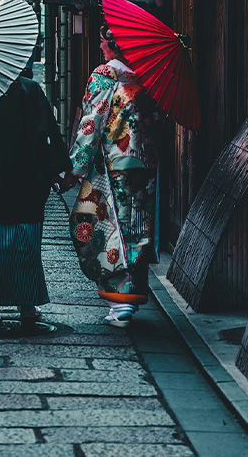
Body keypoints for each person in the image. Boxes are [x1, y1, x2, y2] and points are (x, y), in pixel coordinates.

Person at [60, 25, 158, 328]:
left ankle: (119, 300)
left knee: (99, 223)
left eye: (103, 42)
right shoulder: (145, 76)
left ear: (114, 45)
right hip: (142, 163)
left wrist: (75, 168)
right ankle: (128, 297)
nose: (101, 46)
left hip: (110, 165)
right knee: (136, 227)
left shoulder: (106, 74)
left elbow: (92, 123)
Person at [0, 73, 70, 328]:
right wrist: (52, 172)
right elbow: (46, 136)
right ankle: (27, 304)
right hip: (25, 183)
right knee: (24, 245)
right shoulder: (29, 90)